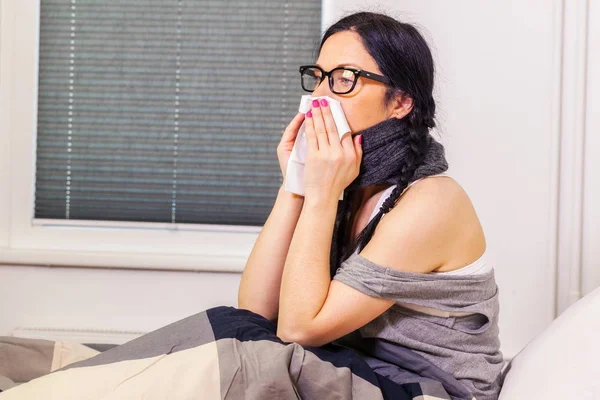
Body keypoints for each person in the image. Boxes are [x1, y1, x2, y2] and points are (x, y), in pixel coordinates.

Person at [238, 11, 504, 400]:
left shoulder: (433, 201)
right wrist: (295, 184)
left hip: (431, 389)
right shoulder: (350, 190)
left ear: (399, 101)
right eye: (319, 77)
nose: (319, 98)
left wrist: (321, 195)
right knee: (235, 333)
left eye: (344, 79)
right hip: (358, 368)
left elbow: (299, 330)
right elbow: (255, 312)